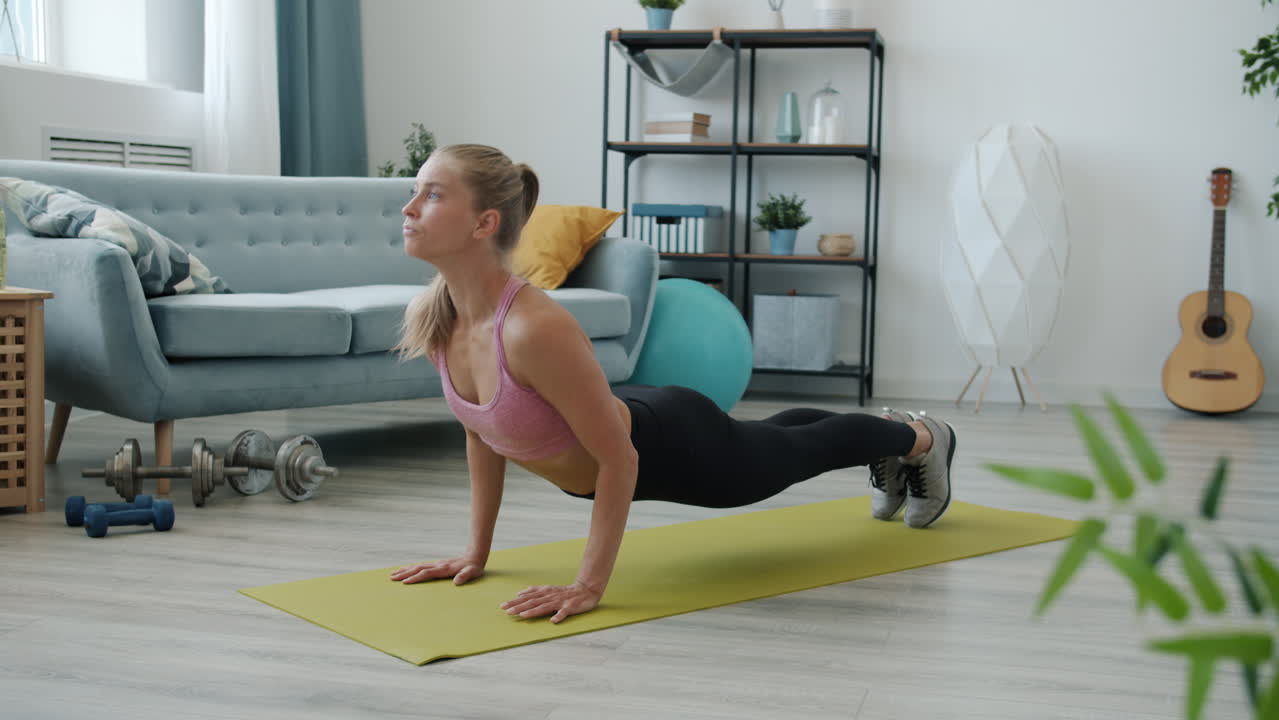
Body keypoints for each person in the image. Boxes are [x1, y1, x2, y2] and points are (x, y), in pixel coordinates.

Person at [389, 144, 956, 624]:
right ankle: (887, 435)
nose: (409, 207)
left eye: (432, 195)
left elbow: (619, 461)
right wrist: (475, 552)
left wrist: (588, 586)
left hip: (674, 446)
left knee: (802, 450)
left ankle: (921, 439)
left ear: (484, 222)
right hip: (634, 414)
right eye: (415, 191)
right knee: (773, 436)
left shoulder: (532, 330)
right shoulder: (439, 318)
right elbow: (482, 433)